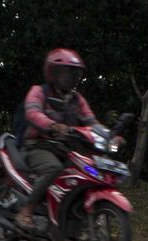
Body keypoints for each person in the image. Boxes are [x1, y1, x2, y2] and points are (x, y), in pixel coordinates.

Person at [14, 48, 98, 231]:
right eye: (66, 72)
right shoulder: (39, 91)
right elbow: (32, 112)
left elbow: (91, 121)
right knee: (54, 168)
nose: (71, 77)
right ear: (53, 72)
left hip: (65, 148)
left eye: (74, 73)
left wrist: (109, 136)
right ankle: (26, 211)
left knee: (87, 172)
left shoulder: (77, 99)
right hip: (37, 145)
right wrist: (52, 125)